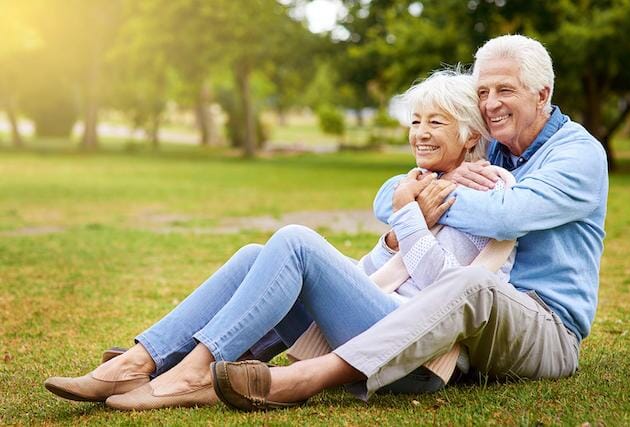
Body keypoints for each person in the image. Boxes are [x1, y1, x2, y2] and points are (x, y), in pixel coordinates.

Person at [44, 71, 514, 411]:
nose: (420, 133)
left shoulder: (488, 189)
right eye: (415, 121)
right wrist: (395, 235)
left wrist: (408, 218)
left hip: (415, 354)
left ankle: (191, 374)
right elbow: (379, 274)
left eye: (436, 122)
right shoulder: (423, 181)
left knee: (295, 240)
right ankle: (137, 361)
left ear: (470, 132)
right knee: (255, 255)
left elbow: (451, 294)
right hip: (377, 321)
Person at [211, 34, 608, 411]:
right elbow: (389, 194)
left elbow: (505, 216)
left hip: (545, 328)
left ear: (543, 94)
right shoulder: (499, 147)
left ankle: (305, 378)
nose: (490, 104)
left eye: (505, 90)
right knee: (271, 256)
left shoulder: (577, 154)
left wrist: (416, 201)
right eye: (482, 92)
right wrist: (425, 189)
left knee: (472, 284)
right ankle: (175, 364)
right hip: (469, 325)